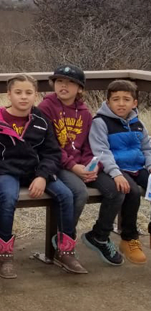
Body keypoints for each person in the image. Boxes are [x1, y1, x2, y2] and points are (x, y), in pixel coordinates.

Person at [0, 73, 87, 278]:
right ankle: (5, 255)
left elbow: (51, 153)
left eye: (28, 93)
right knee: (8, 198)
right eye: (18, 92)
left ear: (36, 95)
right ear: (8, 95)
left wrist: (42, 175)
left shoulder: (41, 120)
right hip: (6, 170)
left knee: (66, 195)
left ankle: (65, 250)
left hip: (36, 171)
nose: (23, 97)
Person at [83, 79, 149, 265]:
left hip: (139, 166)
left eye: (126, 99)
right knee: (132, 191)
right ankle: (129, 238)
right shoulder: (101, 122)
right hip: (117, 168)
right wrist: (116, 173)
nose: (121, 103)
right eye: (116, 99)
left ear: (134, 103)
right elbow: (101, 151)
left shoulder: (138, 123)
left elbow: (147, 149)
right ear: (108, 102)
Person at [38, 65, 101, 238]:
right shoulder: (46, 108)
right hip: (55, 163)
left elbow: (89, 144)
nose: (63, 86)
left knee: (114, 190)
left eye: (70, 83)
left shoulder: (85, 113)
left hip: (78, 165)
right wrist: (73, 167)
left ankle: (65, 239)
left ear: (80, 88)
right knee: (79, 192)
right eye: (59, 81)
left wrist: (90, 166)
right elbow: (49, 146)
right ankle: (66, 239)